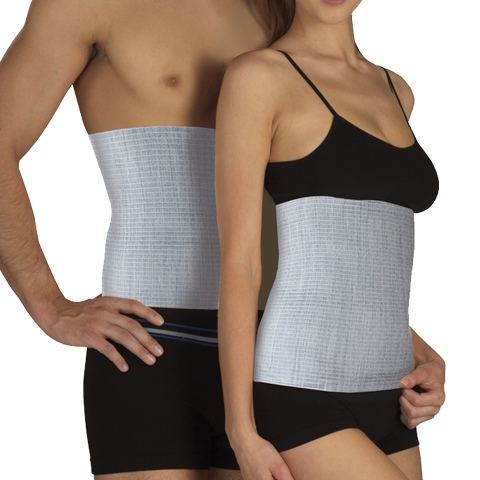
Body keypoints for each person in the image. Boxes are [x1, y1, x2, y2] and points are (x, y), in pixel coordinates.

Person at [0, 0, 443, 479]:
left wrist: (407, 345)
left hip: (281, 357)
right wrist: (50, 306)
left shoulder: (283, 9)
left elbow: (324, 205)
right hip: (152, 344)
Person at [215, 0, 445, 479]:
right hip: (300, 387)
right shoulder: (258, 76)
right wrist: (241, 431)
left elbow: (355, 260)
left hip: (392, 395)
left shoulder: (397, 90)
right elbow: (242, 263)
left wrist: (428, 357)